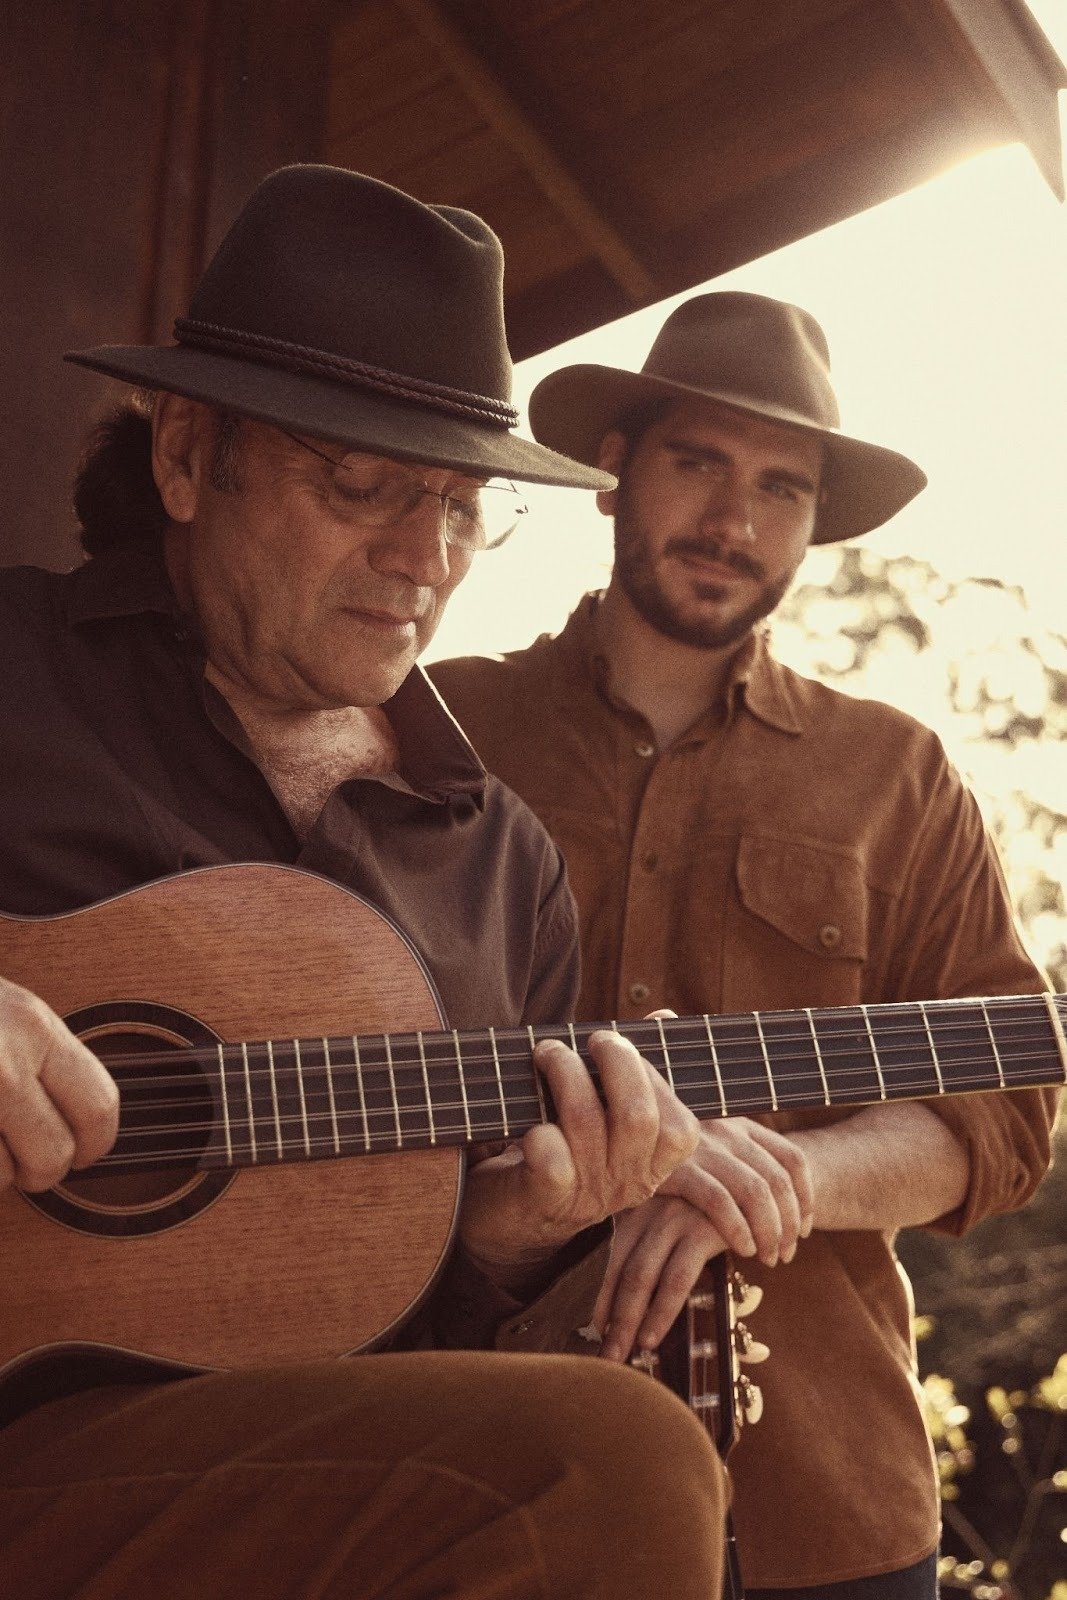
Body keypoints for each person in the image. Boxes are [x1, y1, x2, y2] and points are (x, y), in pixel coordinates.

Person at [0, 166, 730, 1600]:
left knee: (604, 1460)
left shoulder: (503, 859)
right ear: (188, 454)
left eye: (463, 506)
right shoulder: (14, 670)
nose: (426, 559)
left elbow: (427, 1338)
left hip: (260, 1474)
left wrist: (510, 1232)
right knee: (610, 1458)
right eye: (363, 486)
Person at [429, 292, 1060, 1598]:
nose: (734, 522)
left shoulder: (898, 774)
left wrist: (774, 1182)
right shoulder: (443, 736)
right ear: (614, 469)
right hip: (482, 1478)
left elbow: (1004, 1108)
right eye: (699, 463)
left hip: (826, 1509)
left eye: (782, 488)